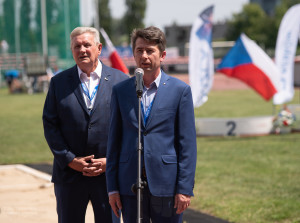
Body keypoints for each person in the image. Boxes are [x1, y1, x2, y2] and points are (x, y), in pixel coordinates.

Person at [106, 26, 197, 223]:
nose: (144, 56)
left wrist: (184, 188)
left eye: (150, 50)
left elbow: (187, 145)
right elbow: (113, 143)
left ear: (162, 55)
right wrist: (112, 188)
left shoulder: (180, 91)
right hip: (129, 185)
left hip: (167, 185)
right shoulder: (121, 91)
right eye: (139, 50)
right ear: (133, 54)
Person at [42, 27, 128, 223]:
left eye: (87, 45)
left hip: (108, 176)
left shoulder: (121, 81)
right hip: (69, 176)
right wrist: (70, 160)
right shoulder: (58, 83)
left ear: (98, 48)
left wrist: (112, 161)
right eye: (77, 46)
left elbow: (129, 128)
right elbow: (50, 125)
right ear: (71, 50)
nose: (82, 50)